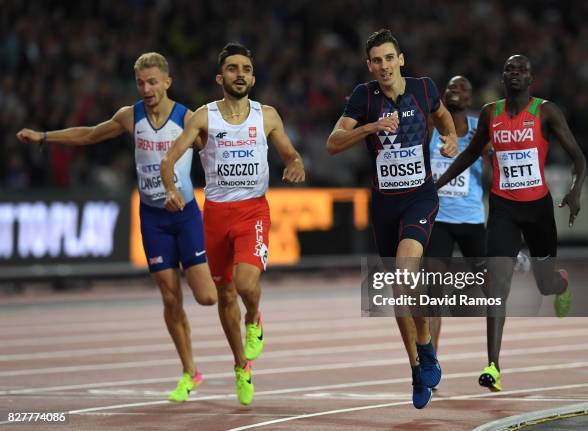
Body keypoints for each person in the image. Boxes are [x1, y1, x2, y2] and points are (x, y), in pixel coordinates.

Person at [16, 52, 217, 403]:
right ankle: (190, 372)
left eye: (153, 81)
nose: (146, 89)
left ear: (167, 82)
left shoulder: (187, 117)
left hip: (184, 215)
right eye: (141, 83)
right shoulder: (130, 116)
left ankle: (236, 295)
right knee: (170, 297)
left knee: (206, 297)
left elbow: (210, 151)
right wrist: (44, 136)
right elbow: (91, 135)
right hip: (152, 217)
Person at [161, 42, 305, 406]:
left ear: (252, 77)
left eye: (245, 68)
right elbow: (170, 158)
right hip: (216, 216)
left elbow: (289, 152)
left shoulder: (267, 115)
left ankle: (254, 318)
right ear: (220, 77)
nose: (239, 74)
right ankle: (241, 366)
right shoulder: (203, 118)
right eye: (232, 69)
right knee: (224, 294)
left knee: (245, 283)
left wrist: (295, 163)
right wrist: (170, 188)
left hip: (252, 211)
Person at [435, 54, 586, 392]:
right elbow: (471, 153)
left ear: (531, 79)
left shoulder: (546, 111)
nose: (515, 74)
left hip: (538, 211)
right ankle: (493, 365)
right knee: (497, 288)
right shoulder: (491, 113)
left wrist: (576, 191)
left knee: (544, 285)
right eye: (509, 70)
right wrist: (438, 183)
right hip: (503, 208)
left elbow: (578, 156)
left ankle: (560, 283)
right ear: (503, 77)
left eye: (521, 70)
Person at [326, 29, 457, 409]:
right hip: (384, 207)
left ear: (401, 59)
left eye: (389, 58)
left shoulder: (423, 88)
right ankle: (417, 366)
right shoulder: (363, 97)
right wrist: (370, 127)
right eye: (376, 61)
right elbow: (333, 143)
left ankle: (426, 347)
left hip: (419, 198)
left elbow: (444, 118)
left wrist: (449, 138)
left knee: (404, 274)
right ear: (369, 66)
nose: (383, 66)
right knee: (400, 294)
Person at [426, 75, 486, 358]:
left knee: (492, 290)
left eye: (462, 87)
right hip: (439, 222)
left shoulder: (479, 130)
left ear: (470, 99)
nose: (455, 90)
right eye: (450, 86)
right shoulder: (431, 126)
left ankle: (492, 359)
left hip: (472, 221)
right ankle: (431, 363)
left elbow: (500, 162)